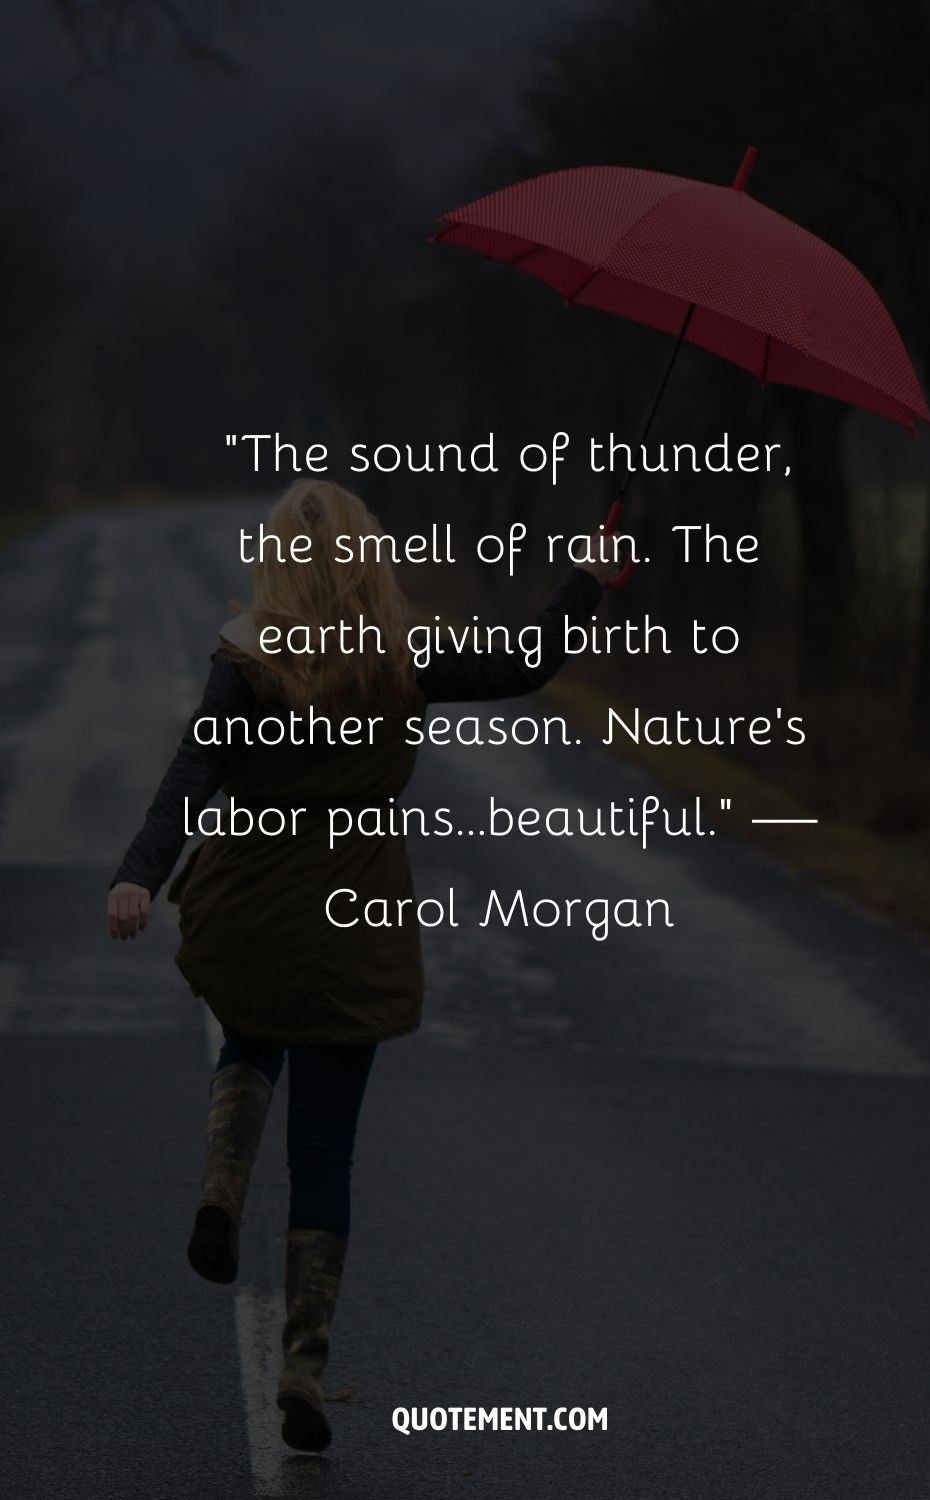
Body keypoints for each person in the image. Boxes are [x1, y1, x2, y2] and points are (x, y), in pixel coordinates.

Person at [107, 479, 619, 1452]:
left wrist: (137, 877)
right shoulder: (405, 658)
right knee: (326, 1155)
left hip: (251, 904)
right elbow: (525, 664)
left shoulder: (246, 662)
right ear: (369, 562)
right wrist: (584, 583)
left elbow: (190, 778)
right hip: (356, 920)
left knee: (251, 1030)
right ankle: (302, 1362)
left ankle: (221, 1180)